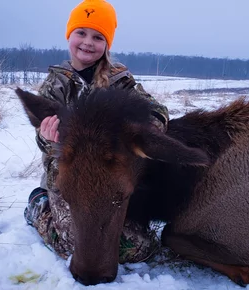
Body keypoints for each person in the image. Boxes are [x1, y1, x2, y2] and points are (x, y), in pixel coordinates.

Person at [24, 0, 169, 263]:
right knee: (72, 245)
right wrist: (47, 138)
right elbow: (44, 143)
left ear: (107, 43)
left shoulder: (120, 80)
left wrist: (147, 130)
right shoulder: (55, 85)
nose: (88, 42)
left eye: (97, 36)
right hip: (69, 175)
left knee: (138, 247)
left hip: (108, 174)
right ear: (70, 35)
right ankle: (39, 206)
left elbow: (156, 109)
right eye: (81, 32)